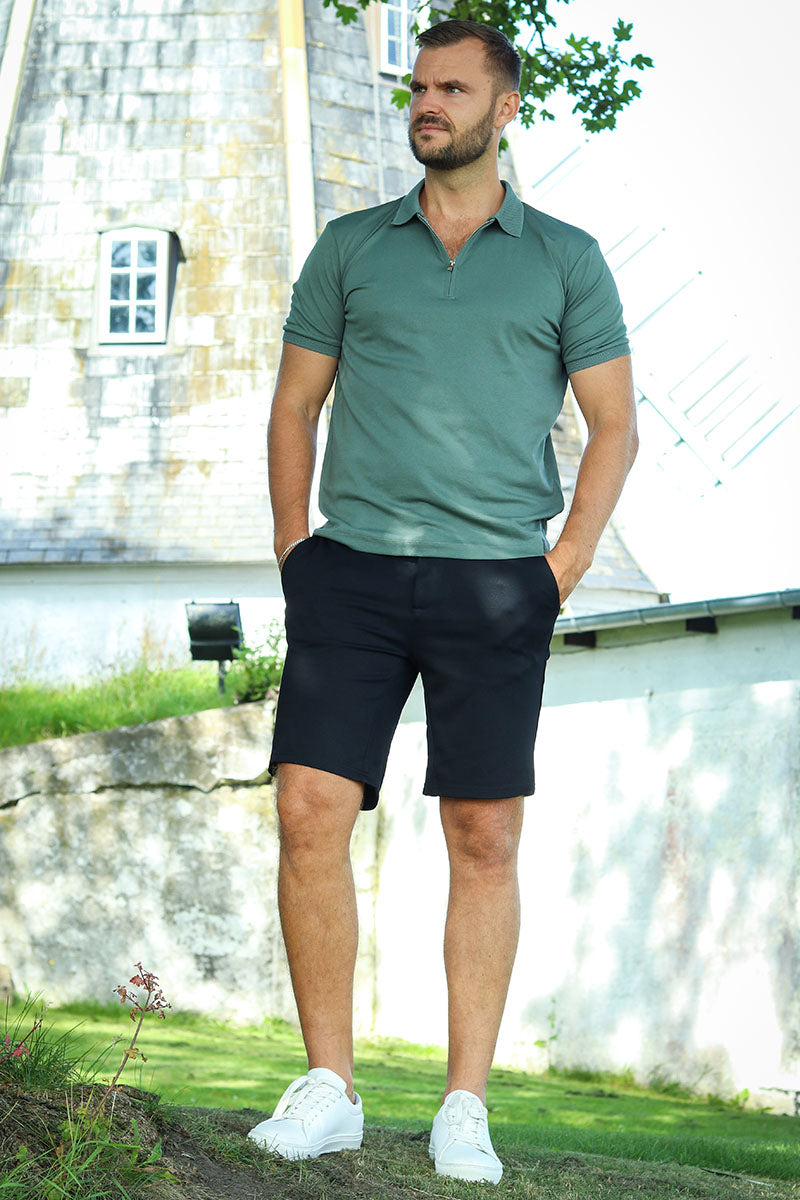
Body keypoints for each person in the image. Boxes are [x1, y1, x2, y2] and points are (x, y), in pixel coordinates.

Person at [247, 18, 637, 1185]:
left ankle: (464, 1105)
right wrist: (294, 549)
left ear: (502, 109)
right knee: (309, 809)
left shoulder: (564, 258)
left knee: (483, 832)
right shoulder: (350, 248)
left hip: (497, 581)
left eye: (451, 89)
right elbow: (292, 406)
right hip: (353, 573)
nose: (425, 103)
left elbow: (613, 427)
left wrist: (561, 567)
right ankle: (328, 1089)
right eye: (418, 86)